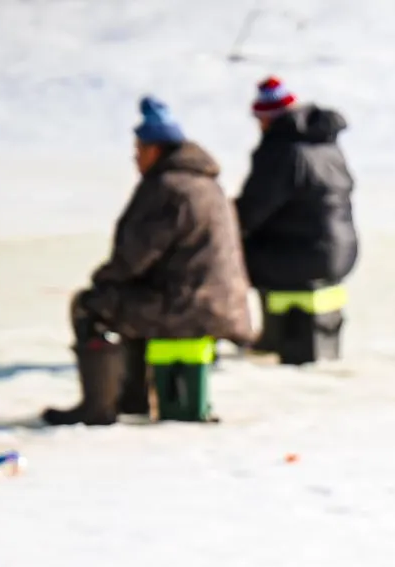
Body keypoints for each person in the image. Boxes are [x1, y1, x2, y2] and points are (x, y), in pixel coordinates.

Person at [43, 97, 253, 426]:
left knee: (93, 304)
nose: (135, 158)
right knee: (132, 299)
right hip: (222, 303)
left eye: (138, 150)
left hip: (188, 305)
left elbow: (134, 256)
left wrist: (103, 280)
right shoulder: (206, 183)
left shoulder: (166, 187)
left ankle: (100, 407)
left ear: (155, 149)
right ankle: (132, 398)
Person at [234, 77, 358, 363]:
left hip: (302, 257)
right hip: (342, 253)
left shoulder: (282, 151)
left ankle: (261, 334)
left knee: (233, 253)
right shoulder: (326, 147)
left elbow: (252, 211)